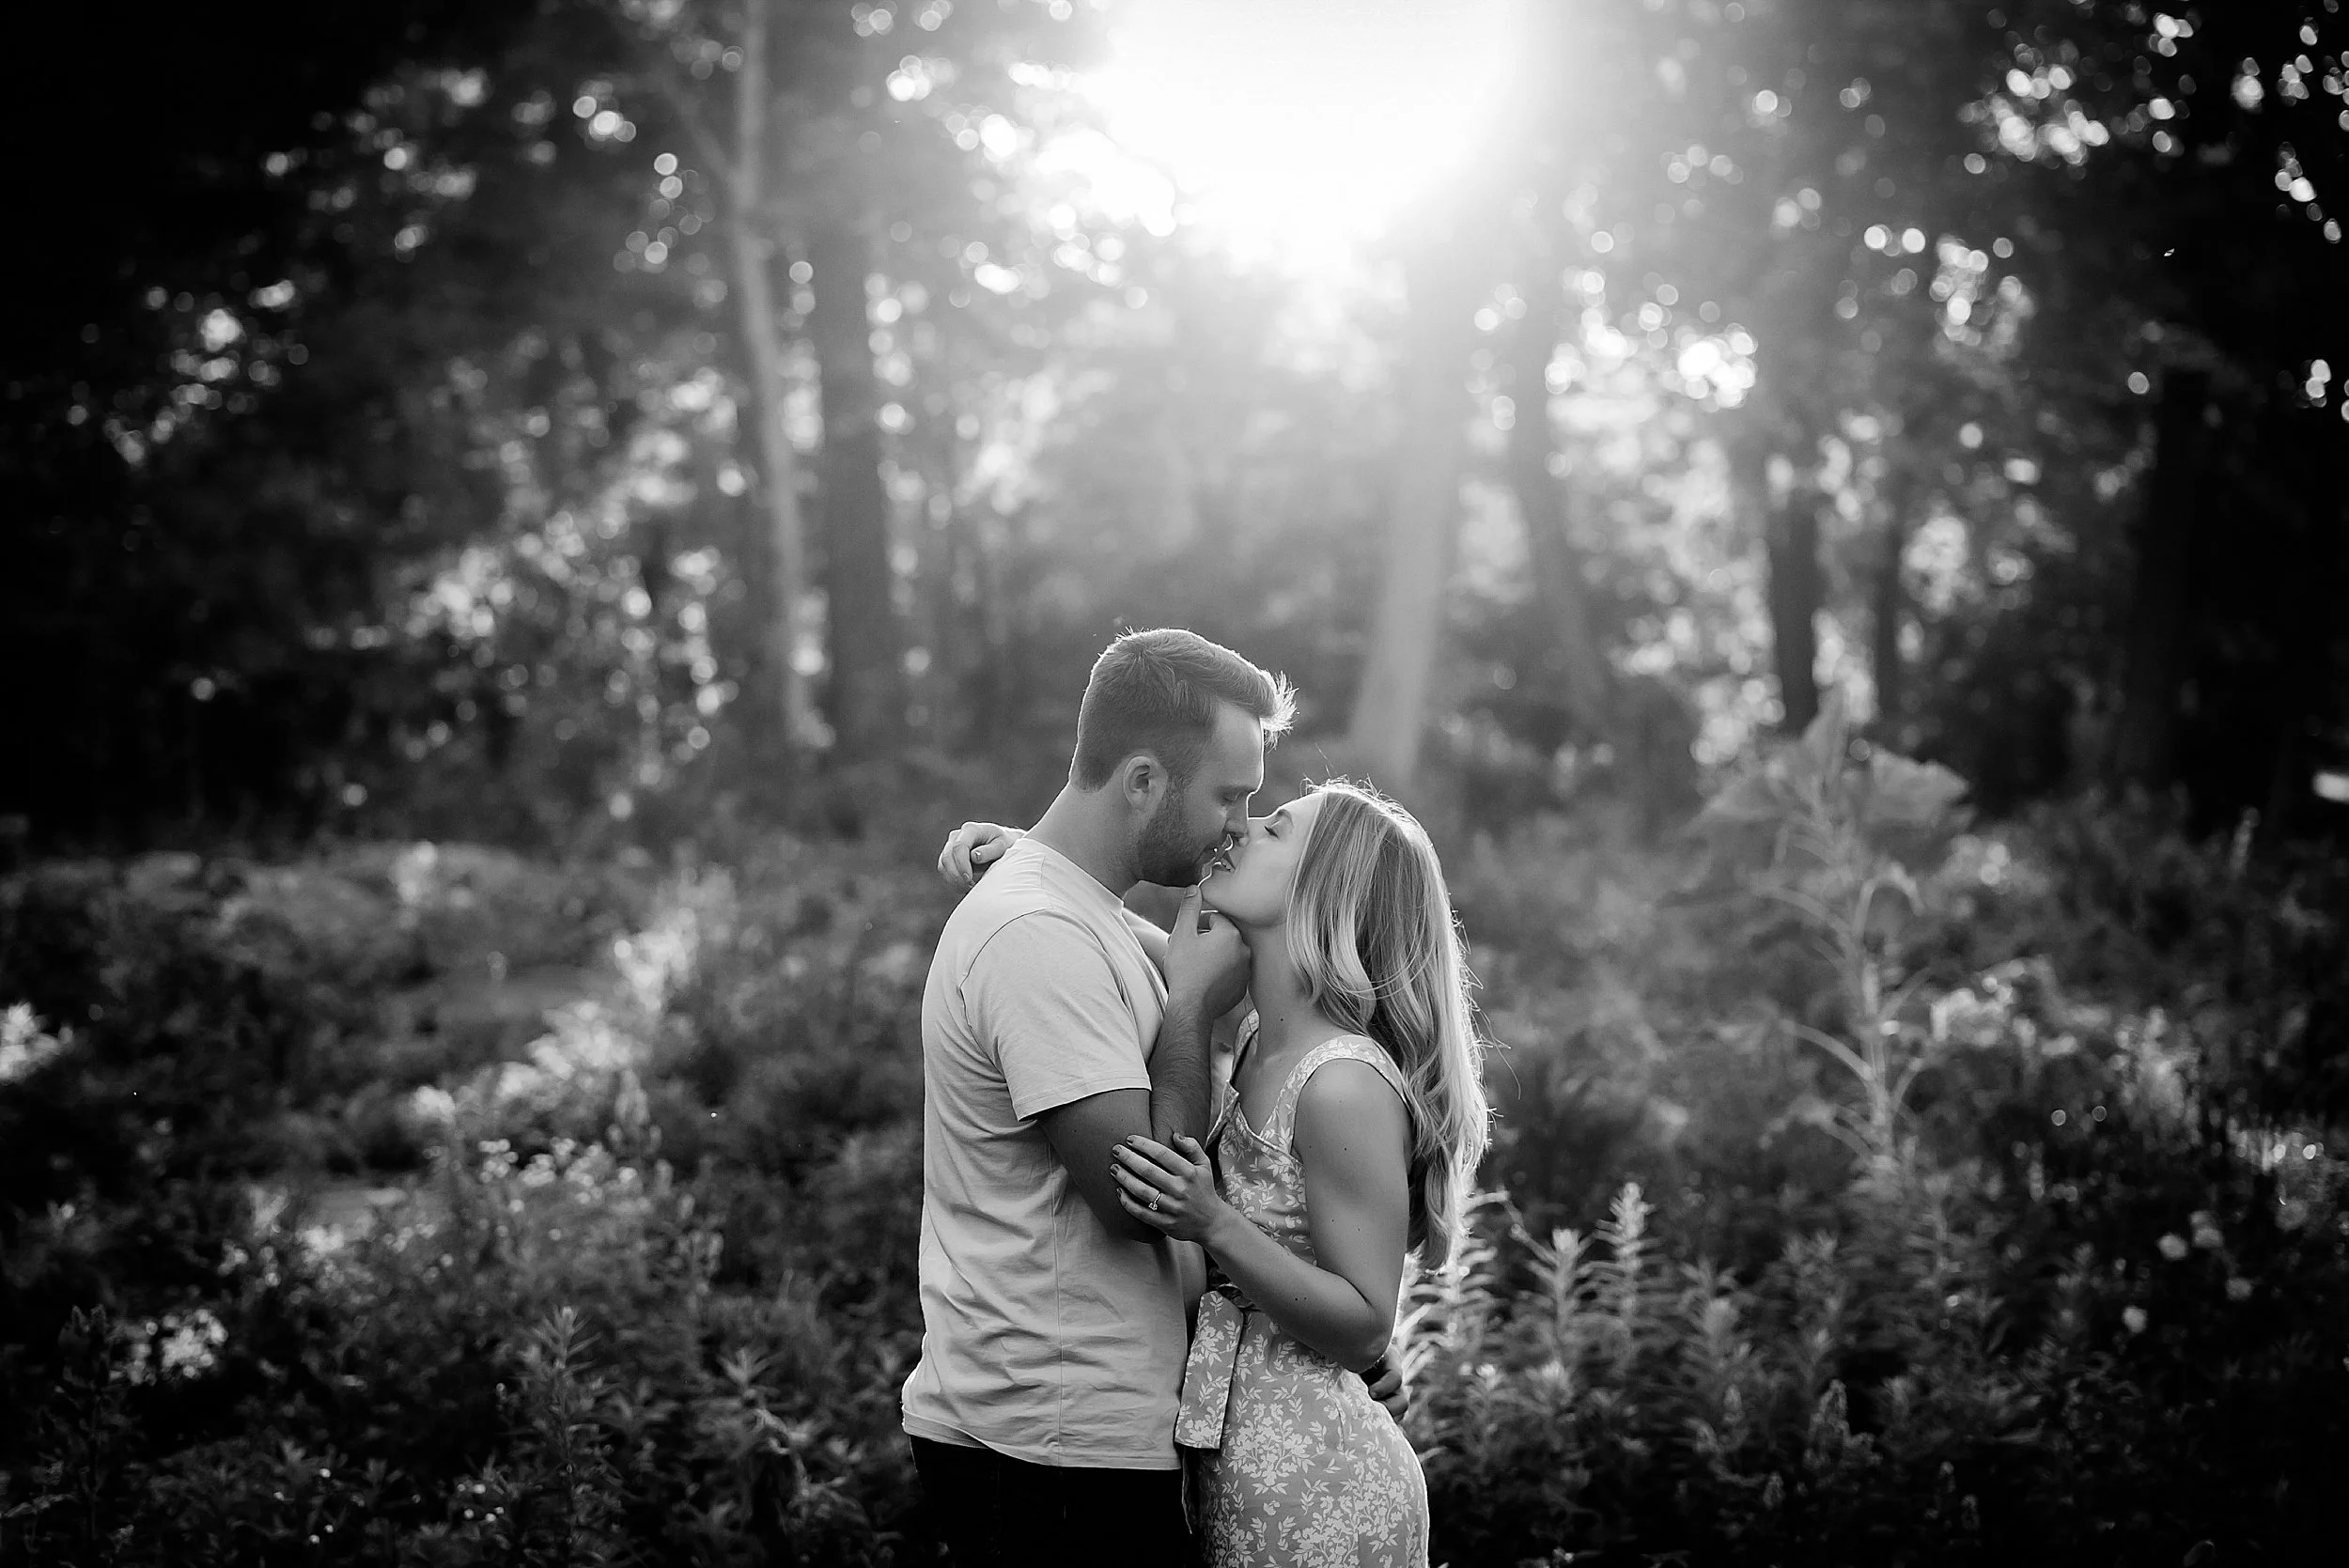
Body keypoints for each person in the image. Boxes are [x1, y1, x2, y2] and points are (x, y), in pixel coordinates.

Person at [942, 779, 1490, 1568]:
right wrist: (1033, 857)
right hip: (1245, 1470)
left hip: (1319, 1487)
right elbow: (1121, 935)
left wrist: (1215, 1221)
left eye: (1274, 830)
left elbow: (1369, 1320)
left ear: (1321, 891)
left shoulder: (1340, 1082)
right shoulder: (1269, 1029)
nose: (1240, 830)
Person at [902, 627, 1288, 1568]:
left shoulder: (1078, 916)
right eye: (1228, 796)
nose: (1240, 823)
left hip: (1079, 1444)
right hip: (1047, 1456)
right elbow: (1135, 1196)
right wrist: (1192, 1001)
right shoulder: (1037, 931)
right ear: (1145, 782)